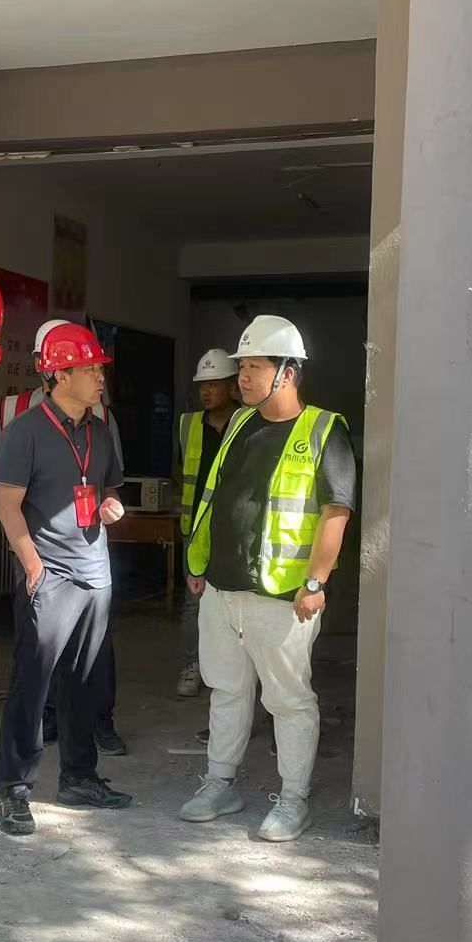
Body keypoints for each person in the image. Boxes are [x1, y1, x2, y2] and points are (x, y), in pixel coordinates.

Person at [178, 315, 355, 843]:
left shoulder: (324, 429)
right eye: (242, 367)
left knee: (288, 699)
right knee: (226, 690)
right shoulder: (238, 423)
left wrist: (316, 583)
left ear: (288, 373)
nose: (243, 377)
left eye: (255, 367)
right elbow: (216, 497)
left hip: (281, 595)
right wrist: (198, 565)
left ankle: (293, 799)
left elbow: (336, 511)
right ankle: (219, 784)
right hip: (222, 587)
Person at [0, 321, 132, 837]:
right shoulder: (26, 431)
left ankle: (79, 777)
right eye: (90, 368)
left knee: (86, 682)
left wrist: (113, 505)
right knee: (33, 684)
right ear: (60, 374)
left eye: (99, 368)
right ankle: (14, 788)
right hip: (48, 574)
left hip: (95, 571)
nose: (100, 377)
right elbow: (7, 507)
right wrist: (32, 565)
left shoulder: (100, 430)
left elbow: (109, 488)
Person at [174, 348, 241, 698]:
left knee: (236, 602)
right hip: (195, 529)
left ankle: (234, 670)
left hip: (234, 529)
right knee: (194, 602)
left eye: (213, 384)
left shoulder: (248, 422)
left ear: (232, 386)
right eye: (202, 385)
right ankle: (193, 664)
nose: (205, 391)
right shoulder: (187, 424)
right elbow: (181, 471)